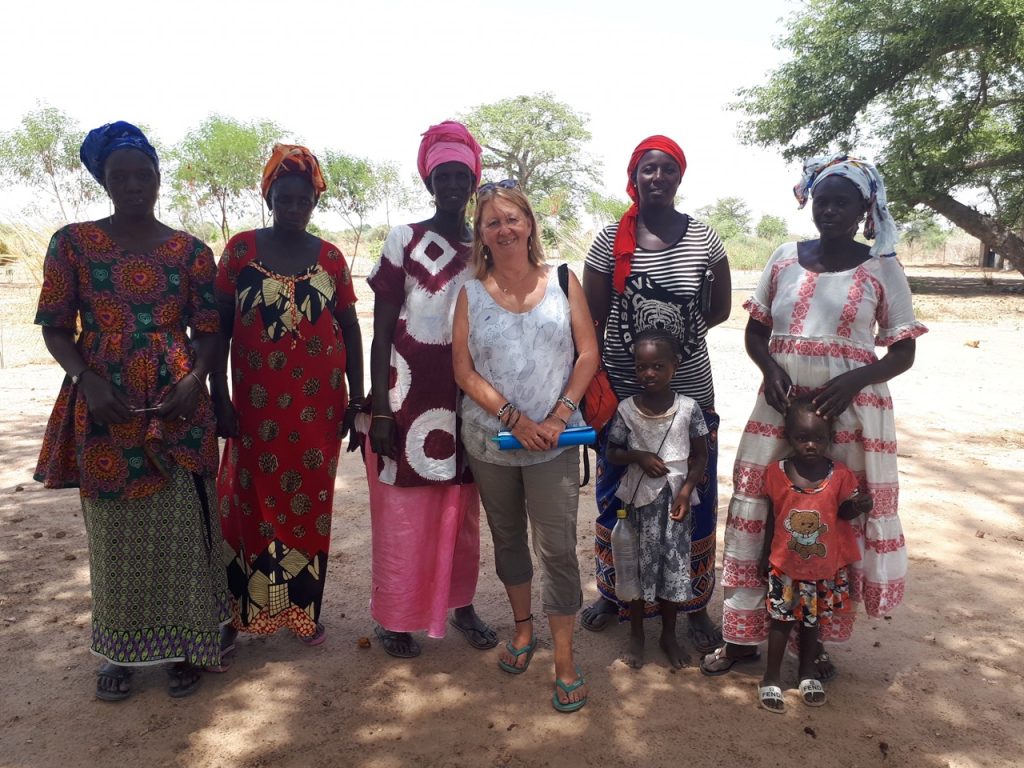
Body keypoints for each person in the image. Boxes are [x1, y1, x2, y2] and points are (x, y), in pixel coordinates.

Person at [703, 154, 927, 677]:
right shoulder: (784, 258)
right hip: (777, 407)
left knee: (828, 518)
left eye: (842, 202)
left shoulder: (883, 267)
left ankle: (814, 642)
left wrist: (853, 380)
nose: (829, 210)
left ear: (863, 209)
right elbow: (757, 331)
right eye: (822, 200)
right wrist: (769, 368)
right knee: (759, 505)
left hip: (848, 415)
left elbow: (902, 351)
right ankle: (742, 636)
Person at [34, 121, 229, 701]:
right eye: (120, 176)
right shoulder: (72, 244)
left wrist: (195, 380)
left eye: (143, 175)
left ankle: (187, 645)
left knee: (184, 527)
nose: (133, 185)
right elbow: (55, 327)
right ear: (104, 181)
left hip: (178, 406)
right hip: (106, 406)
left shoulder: (191, 252)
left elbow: (211, 330)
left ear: (158, 178)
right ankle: (119, 651)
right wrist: (86, 379)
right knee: (114, 533)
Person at [452, 181, 599, 713]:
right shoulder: (469, 293)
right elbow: (464, 371)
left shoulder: (562, 279)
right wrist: (514, 418)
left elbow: (588, 353)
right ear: (481, 234)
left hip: (555, 444)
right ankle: (522, 630)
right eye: (492, 222)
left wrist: (557, 416)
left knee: (557, 548)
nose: (504, 229)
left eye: (512, 218)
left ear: (530, 223)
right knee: (508, 538)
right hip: (491, 442)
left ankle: (564, 657)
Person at [582, 135, 731, 653]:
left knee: (693, 495)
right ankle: (614, 594)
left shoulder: (705, 238)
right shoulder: (609, 240)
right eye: (649, 169)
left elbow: (719, 309)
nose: (658, 177)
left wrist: (674, 347)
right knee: (617, 497)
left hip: (688, 390)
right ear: (635, 176)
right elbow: (593, 317)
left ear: (680, 177)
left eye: (668, 169)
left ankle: (693, 603)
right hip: (624, 395)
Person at [212, 144, 363, 651]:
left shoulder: (330, 258)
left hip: (318, 410)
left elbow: (350, 328)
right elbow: (218, 330)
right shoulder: (240, 252)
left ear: (314, 202)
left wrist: (356, 399)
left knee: (308, 507)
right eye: (285, 199)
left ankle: (301, 610)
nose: (294, 208)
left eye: (303, 200)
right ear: (269, 198)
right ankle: (237, 613)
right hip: (254, 409)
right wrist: (219, 398)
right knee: (244, 504)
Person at [365, 121, 495, 658]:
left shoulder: (485, 246)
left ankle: (461, 605)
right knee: (404, 512)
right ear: (429, 182)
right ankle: (395, 619)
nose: (453, 185)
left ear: (473, 182)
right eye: (443, 176)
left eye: (462, 176)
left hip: (467, 398)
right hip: (407, 398)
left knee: (462, 511)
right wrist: (379, 408)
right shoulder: (405, 239)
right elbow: (381, 330)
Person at [756, 396, 872, 712]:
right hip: (784, 566)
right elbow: (773, 517)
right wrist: (764, 555)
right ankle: (770, 678)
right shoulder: (777, 472)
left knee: (811, 623)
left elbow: (844, 514)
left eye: (818, 438)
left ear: (830, 438)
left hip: (822, 569)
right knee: (780, 622)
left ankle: (806, 673)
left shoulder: (840, 475)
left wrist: (858, 506)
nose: (810, 445)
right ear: (789, 437)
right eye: (802, 438)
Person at [605, 328, 709, 669]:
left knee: (672, 568)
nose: (649, 373)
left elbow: (701, 456)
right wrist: (639, 456)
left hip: (675, 504)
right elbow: (612, 452)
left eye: (658, 366)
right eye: (641, 367)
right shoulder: (626, 409)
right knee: (634, 566)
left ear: (675, 366)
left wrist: (686, 491)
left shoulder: (689, 408)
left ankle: (668, 634)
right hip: (637, 504)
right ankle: (636, 634)